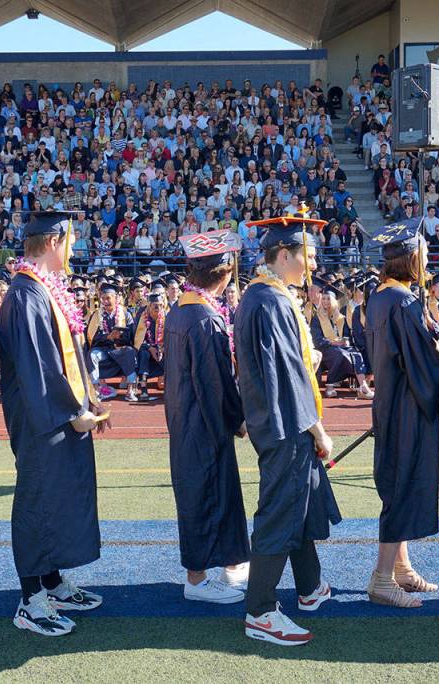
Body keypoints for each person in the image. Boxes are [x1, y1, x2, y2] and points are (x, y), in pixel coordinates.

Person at [0, 211, 107, 637]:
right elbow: (37, 368)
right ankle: (30, 600)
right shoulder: (25, 295)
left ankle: (52, 581)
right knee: (37, 503)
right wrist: (71, 411)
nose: (74, 248)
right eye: (71, 240)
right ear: (53, 241)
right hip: (41, 419)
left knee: (56, 500)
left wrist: (87, 399)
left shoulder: (45, 290)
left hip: (57, 415)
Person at [235, 217, 341, 646]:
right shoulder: (271, 301)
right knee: (281, 512)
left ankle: (310, 587)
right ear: (284, 255)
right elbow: (287, 376)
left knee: (301, 504)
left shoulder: (263, 295)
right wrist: (318, 430)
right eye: (308, 255)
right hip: (286, 426)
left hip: (277, 421)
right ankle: (260, 610)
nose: (312, 264)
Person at [364, 218, 439, 608]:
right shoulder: (404, 302)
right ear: (411, 259)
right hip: (407, 407)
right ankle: (382, 578)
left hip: (388, 403)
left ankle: (401, 568)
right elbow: (420, 365)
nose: (428, 257)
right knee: (401, 488)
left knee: (397, 482)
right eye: (424, 252)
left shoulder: (380, 296)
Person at [164, 229, 250, 605]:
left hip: (185, 419)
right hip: (204, 423)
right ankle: (197, 580)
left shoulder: (181, 310)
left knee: (200, 494)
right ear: (226, 273)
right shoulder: (204, 319)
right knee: (206, 495)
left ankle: (227, 563)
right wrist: (238, 419)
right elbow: (216, 383)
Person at [310, 282, 374, 398]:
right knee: (340, 354)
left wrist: (345, 341)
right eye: (323, 298)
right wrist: (332, 342)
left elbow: (347, 335)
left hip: (341, 347)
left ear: (334, 301)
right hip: (324, 349)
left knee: (356, 353)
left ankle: (363, 388)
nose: (325, 301)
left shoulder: (340, 318)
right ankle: (330, 385)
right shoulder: (317, 318)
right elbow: (316, 339)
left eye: (328, 299)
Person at [85, 282, 139, 401]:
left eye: (108, 298)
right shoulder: (96, 315)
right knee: (92, 354)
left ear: (116, 298)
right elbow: (92, 338)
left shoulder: (126, 314)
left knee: (129, 351)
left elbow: (132, 335)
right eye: (103, 299)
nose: (105, 301)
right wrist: (107, 337)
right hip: (104, 349)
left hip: (120, 348)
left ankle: (130, 390)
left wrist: (120, 336)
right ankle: (96, 390)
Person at [131, 292, 165, 401]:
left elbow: (169, 336)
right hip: (145, 347)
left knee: (169, 356)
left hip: (161, 347)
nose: (157, 308)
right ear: (149, 305)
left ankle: (170, 389)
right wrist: (150, 348)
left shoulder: (165, 317)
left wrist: (161, 348)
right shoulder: (141, 316)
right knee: (144, 355)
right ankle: (144, 389)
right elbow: (137, 338)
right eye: (154, 305)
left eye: (160, 305)